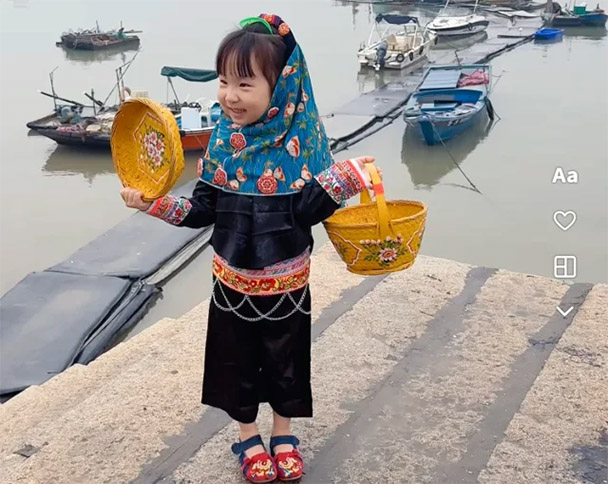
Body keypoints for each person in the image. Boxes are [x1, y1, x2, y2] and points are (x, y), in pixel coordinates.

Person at [120, 13, 380, 483]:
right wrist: (153, 205)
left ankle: (282, 434)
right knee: (233, 362)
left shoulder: (301, 142)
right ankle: (247, 435)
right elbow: (201, 211)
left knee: (286, 360)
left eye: (244, 84)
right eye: (223, 82)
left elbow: (304, 211)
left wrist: (344, 179)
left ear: (280, 87)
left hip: (286, 284)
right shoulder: (221, 141)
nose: (229, 97)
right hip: (231, 284)